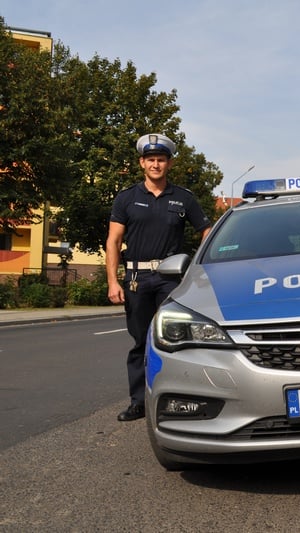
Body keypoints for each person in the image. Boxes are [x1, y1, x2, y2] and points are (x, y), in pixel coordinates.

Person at [106, 134, 212, 421]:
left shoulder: (184, 198)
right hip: (136, 278)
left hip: (170, 279)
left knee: (176, 339)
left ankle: (184, 400)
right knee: (141, 341)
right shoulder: (127, 198)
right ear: (142, 163)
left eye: (161, 160)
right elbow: (113, 241)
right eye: (150, 159)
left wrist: (198, 267)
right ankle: (139, 402)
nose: (156, 164)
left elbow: (206, 231)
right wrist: (113, 281)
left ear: (169, 163)